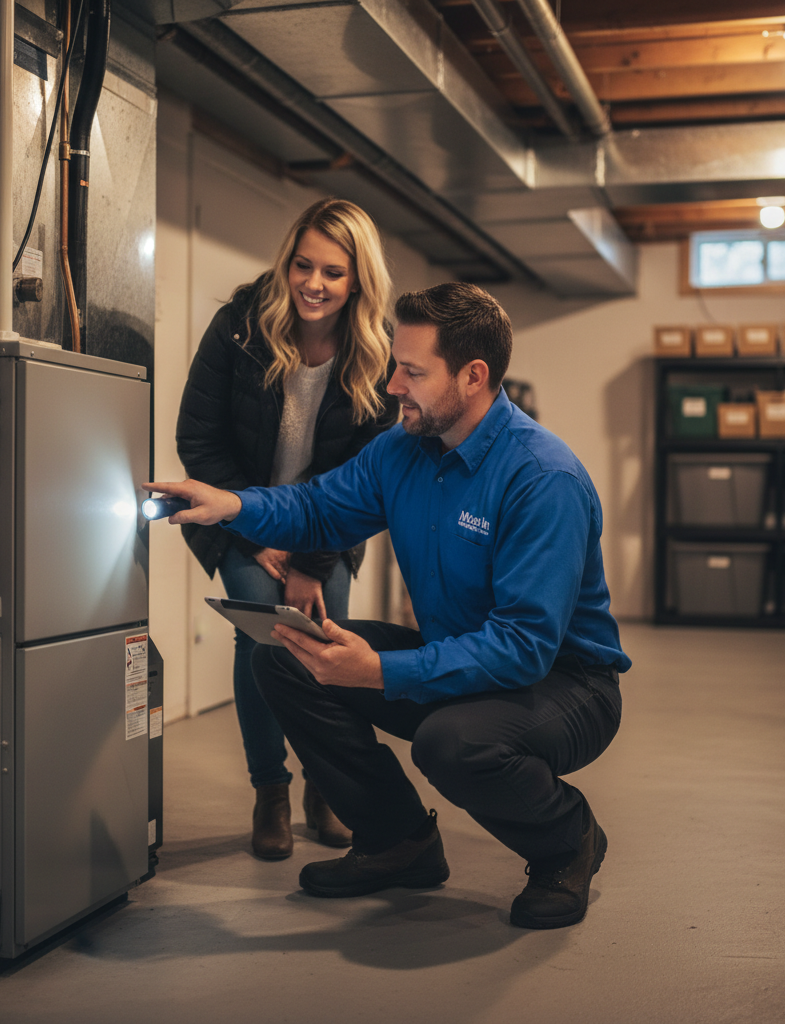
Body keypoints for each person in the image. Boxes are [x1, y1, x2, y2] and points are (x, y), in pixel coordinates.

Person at [149, 282, 630, 929]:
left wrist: (378, 670)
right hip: (458, 654)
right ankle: (399, 840)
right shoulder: (402, 451)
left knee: (451, 742)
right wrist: (232, 505)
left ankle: (566, 841)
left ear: (474, 376)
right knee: (287, 657)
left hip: (564, 683)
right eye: (394, 367)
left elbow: (522, 647)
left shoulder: (542, 479)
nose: (393, 387)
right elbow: (320, 508)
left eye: (411, 371)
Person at [174, 197, 398, 860]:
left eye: (333, 271)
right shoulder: (241, 326)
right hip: (241, 518)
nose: (314, 283)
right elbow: (199, 438)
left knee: (331, 646)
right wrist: (257, 528)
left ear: (358, 279)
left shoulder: (376, 350)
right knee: (265, 642)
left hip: (329, 527)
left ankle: (326, 788)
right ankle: (270, 790)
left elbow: (366, 477)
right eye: (304, 265)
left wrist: (309, 561)